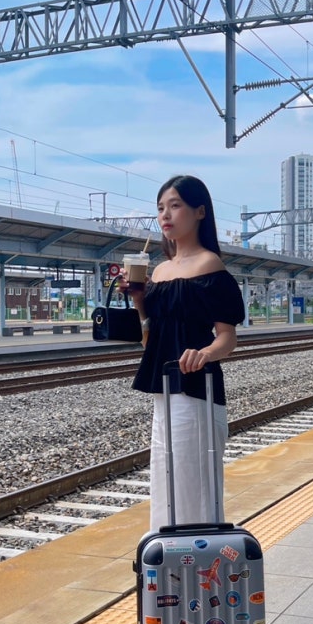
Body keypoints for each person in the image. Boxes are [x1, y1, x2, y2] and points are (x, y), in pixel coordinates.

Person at [120, 174, 245, 530]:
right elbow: (150, 340)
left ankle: (199, 557)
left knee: (194, 483)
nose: (165, 214)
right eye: (160, 207)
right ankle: (167, 557)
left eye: (175, 205)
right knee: (164, 480)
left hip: (196, 390)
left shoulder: (211, 267)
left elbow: (227, 338)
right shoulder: (158, 272)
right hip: (163, 391)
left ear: (200, 211)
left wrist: (204, 353)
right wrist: (140, 300)